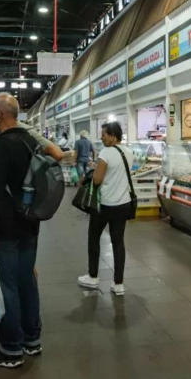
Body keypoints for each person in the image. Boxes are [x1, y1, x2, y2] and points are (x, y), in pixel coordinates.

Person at [0, 93, 42, 368]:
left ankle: (11, 348)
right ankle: (32, 339)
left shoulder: (1, 147)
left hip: (5, 227)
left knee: (7, 286)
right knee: (26, 280)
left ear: (0, 115)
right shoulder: (32, 142)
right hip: (30, 223)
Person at [78, 121, 134, 296]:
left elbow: (97, 180)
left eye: (103, 135)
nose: (101, 138)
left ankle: (93, 277)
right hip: (123, 204)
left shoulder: (106, 152)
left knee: (93, 238)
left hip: (105, 205)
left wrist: (95, 169)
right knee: (118, 242)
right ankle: (118, 284)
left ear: (112, 136)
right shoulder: (129, 152)